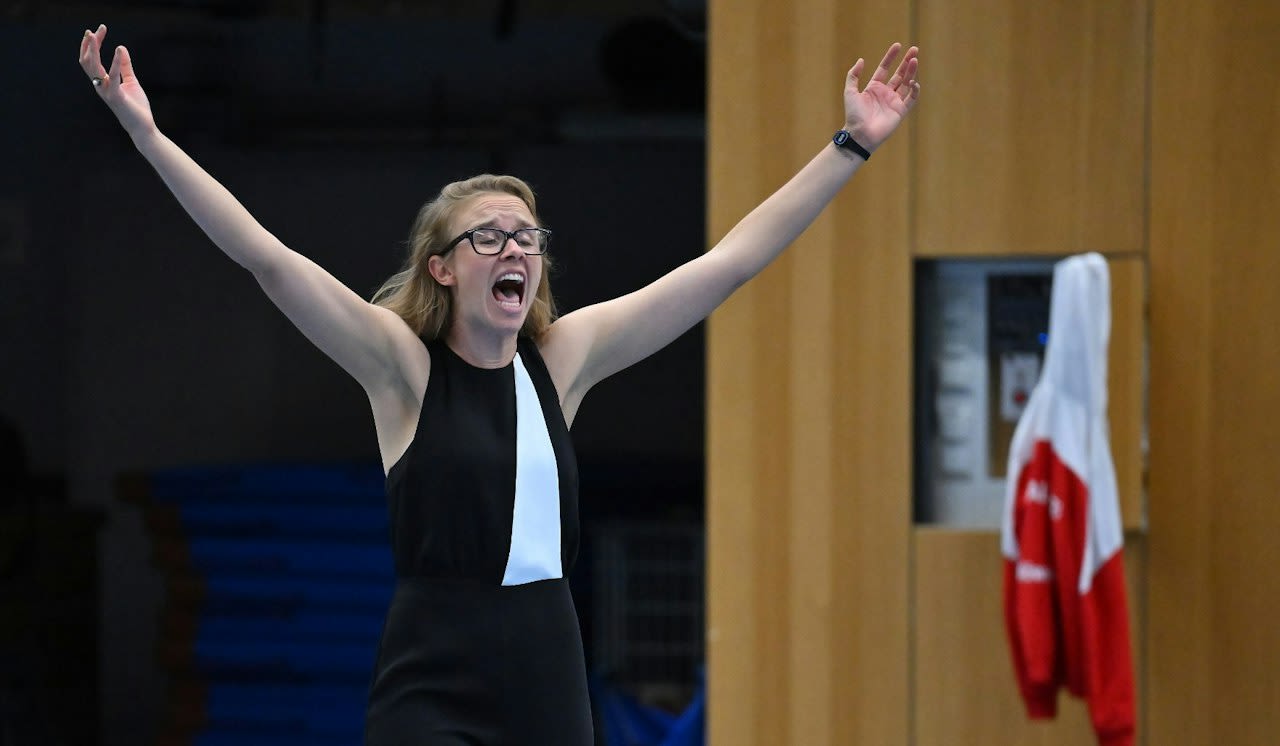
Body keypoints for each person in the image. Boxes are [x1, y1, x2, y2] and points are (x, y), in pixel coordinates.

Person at [78, 23, 920, 746]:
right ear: (440, 269)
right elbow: (267, 258)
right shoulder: (400, 368)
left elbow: (728, 264)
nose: (516, 249)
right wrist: (150, 136)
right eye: (488, 238)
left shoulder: (564, 360)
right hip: (429, 659)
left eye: (528, 236)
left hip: (545, 657)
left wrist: (850, 146)